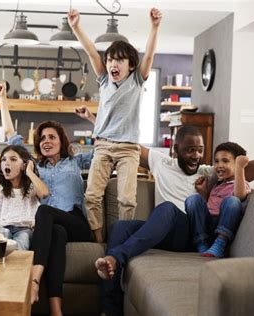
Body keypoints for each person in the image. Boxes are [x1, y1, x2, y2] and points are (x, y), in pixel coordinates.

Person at [94, 126, 254, 315]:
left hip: (191, 235)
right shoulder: (161, 162)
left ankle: (116, 257)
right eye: (190, 150)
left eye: (200, 150)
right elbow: (127, 145)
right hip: (162, 231)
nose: (196, 155)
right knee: (120, 227)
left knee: (167, 209)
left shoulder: (210, 172)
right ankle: (110, 309)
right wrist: (96, 122)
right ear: (176, 149)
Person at [0, 82, 93, 316]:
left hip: (77, 222)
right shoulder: (35, 167)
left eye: (52, 137)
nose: (46, 141)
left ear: (61, 140)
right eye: (42, 138)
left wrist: (91, 118)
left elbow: (105, 145)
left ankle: (34, 280)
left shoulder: (76, 161)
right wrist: (2, 99)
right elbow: (11, 137)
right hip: (54, 228)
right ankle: (56, 310)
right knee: (56, 235)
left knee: (44, 212)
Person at [69, 8, 163, 243]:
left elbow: (149, 57)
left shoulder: (137, 80)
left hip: (128, 149)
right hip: (102, 146)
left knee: (127, 199)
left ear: (130, 65)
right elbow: (91, 53)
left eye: (119, 60)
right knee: (91, 195)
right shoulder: (103, 80)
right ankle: (99, 240)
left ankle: (120, 241)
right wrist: (76, 28)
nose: (113, 64)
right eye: (110, 59)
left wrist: (154, 27)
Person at [185, 142, 250, 258]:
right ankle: (201, 243)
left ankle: (220, 244)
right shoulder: (217, 185)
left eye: (225, 161)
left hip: (223, 227)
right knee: (193, 199)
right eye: (216, 161)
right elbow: (210, 206)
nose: (219, 165)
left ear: (236, 164)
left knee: (233, 201)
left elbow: (239, 196)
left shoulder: (240, 184)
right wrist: (204, 192)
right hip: (207, 227)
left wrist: (240, 168)